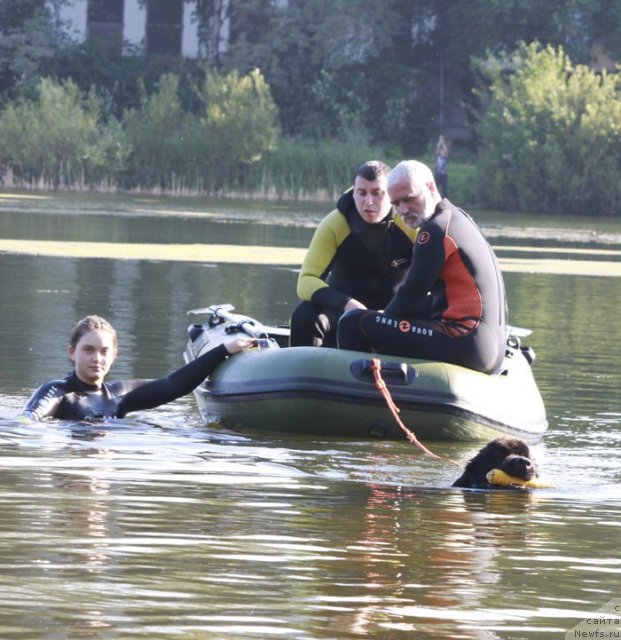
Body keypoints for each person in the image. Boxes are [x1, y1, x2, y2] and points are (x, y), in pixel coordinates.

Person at [337, 159, 507, 374]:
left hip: (467, 342)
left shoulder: (434, 231)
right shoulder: (459, 218)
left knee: (353, 322)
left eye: (409, 198)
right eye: (396, 203)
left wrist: (379, 320)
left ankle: (357, 390)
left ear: (430, 187)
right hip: (490, 347)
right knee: (406, 310)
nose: (403, 209)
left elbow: (410, 295)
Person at [22, 315, 254, 421]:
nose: (97, 358)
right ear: (72, 352)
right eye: (88, 350)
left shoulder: (120, 395)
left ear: (114, 355)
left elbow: (174, 385)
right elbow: (27, 421)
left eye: (104, 351)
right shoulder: (59, 392)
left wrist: (224, 349)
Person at [289, 160, 417, 347]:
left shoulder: (410, 224)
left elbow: (433, 283)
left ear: (390, 194)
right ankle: (304, 372)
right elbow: (306, 280)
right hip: (342, 312)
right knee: (305, 315)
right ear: (354, 192)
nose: (368, 202)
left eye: (377, 193)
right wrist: (347, 304)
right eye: (362, 193)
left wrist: (396, 311)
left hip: (392, 316)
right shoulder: (335, 223)